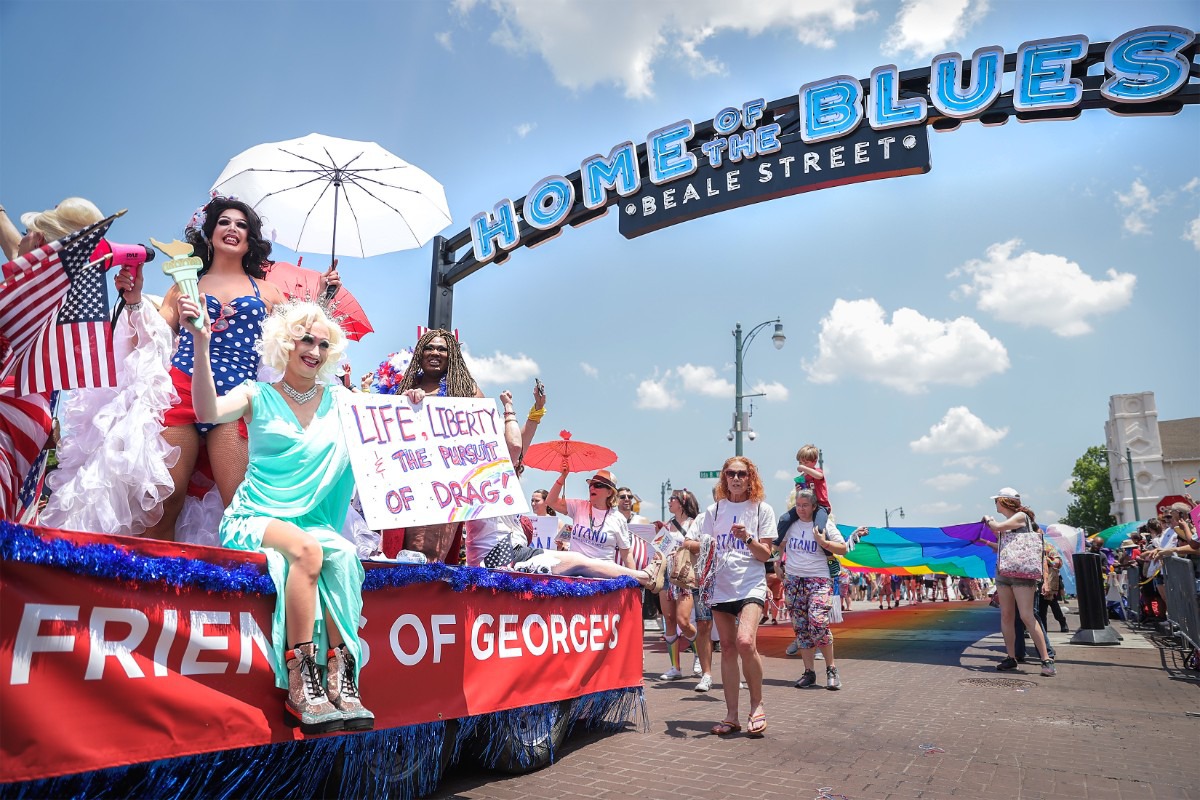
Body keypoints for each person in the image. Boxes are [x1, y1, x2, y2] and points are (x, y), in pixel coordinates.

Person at [184, 297, 370, 734]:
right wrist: (200, 343)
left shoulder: (342, 400)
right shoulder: (257, 394)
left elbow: (389, 425)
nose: (314, 350)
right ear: (285, 344)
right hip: (256, 516)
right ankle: (301, 683)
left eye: (324, 344)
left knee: (343, 555)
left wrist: (413, 398)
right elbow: (206, 412)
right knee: (305, 552)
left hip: (312, 520)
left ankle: (341, 679)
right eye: (306, 339)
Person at [116, 196, 326, 541]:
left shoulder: (270, 292)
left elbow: (298, 342)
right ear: (210, 231)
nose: (232, 229)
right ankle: (159, 591)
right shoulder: (182, 285)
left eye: (241, 224)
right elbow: (152, 339)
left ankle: (243, 591)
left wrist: (325, 298)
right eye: (224, 222)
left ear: (250, 239)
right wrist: (135, 300)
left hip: (234, 401)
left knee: (241, 508)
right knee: (163, 507)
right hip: (180, 392)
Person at [393, 328, 484, 562]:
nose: (435, 352)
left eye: (442, 349)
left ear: (451, 354)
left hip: (444, 489)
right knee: (397, 552)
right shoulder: (402, 387)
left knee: (427, 554)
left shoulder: (466, 391)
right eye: (429, 347)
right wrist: (405, 403)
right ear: (420, 354)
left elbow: (482, 436)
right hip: (403, 485)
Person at [702, 457, 776, 738]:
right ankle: (731, 715)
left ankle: (756, 705)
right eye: (730, 473)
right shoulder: (715, 509)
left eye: (741, 474)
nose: (736, 478)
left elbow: (765, 555)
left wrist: (747, 538)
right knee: (728, 649)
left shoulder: (761, 510)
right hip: (720, 586)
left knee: (745, 641)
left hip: (750, 585)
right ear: (724, 477)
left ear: (750, 478)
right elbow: (705, 546)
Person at [975, 487, 1055, 677]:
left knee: (1027, 616)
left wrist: (988, 519)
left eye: (996, 500)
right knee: (1006, 616)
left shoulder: (1020, 517)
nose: (994, 504)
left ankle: (1046, 659)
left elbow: (997, 528)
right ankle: (1011, 658)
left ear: (1003, 501)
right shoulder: (1010, 522)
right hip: (1004, 571)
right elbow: (1007, 545)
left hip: (1021, 574)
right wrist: (989, 543)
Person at [777, 489, 852, 691]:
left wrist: (823, 542)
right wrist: (777, 563)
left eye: (805, 505)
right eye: (798, 505)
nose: (801, 509)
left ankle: (831, 669)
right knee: (801, 628)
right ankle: (809, 672)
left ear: (813, 507)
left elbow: (843, 548)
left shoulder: (824, 525)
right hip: (794, 581)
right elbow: (780, 545)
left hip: (818, 581)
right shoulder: (790, 524)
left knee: (817, 623)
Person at [653, 489, 701, 682]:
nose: (669, 502)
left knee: (683, 620)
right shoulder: (667, 525)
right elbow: (658, 550)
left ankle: (700, 654)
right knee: (669, 619)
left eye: (672, 499)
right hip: (666, 574)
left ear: (681, 502)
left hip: (683, 575)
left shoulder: (693, 524)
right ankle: (675, 667)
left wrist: (682, 548)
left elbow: (699, 548)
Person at [547, 468, 637, 569]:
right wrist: (563, 477)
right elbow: (550, 501)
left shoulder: (618, 518)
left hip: (603, 576)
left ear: (609, 492)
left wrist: (634, 580)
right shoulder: (578, 506)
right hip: (574, 572)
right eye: (591, 485)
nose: (592, 488)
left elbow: (626, 554)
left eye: (598, 485)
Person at [1038, 543, 1070, 633]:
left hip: (1049, 581)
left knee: (1051, 604)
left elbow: (1057, 562)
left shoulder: (1047, 546)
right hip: (1033, 581)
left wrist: (1046, 560)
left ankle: (1062, 621)